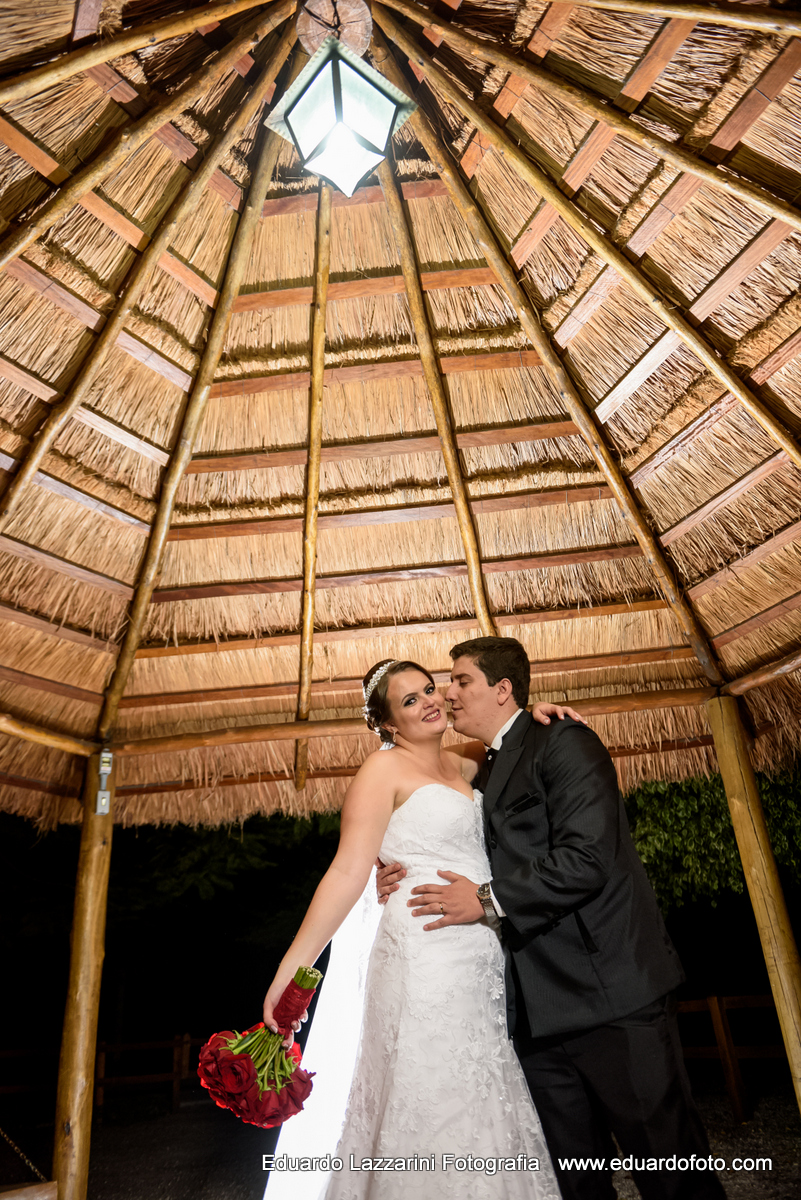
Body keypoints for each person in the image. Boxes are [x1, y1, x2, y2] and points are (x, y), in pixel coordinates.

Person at [377, 637, 726, 1200]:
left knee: (670, 1171)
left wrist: (488, 901)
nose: (447, 692)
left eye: (460, 680)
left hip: (610, 996)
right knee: (576, 1184)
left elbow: (588, 856)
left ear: (502, 688)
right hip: (533, 1018)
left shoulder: (562, 740)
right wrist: (393, 865)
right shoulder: (478, 774)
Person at [262, 657, 575, 1200]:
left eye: (429, 689)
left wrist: (534, 711)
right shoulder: (380, 772)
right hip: (423, 954)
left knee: (484, 1088)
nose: (430, 701)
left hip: (483, 955)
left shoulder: (468, 763)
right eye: (409, 700)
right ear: (388, 724)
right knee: (429, 1090)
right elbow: (345, 872)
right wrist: (292, 970)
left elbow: (510, 736)